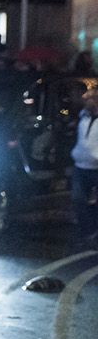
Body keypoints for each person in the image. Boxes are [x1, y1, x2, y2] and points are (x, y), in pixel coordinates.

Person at [73, 86, 98, 243]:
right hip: (80, 165)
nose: (86, 101)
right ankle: (88, 231)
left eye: (89, 98)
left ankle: (94, 231)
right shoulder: (83, 118)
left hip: (96, 168)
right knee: (78, 199)